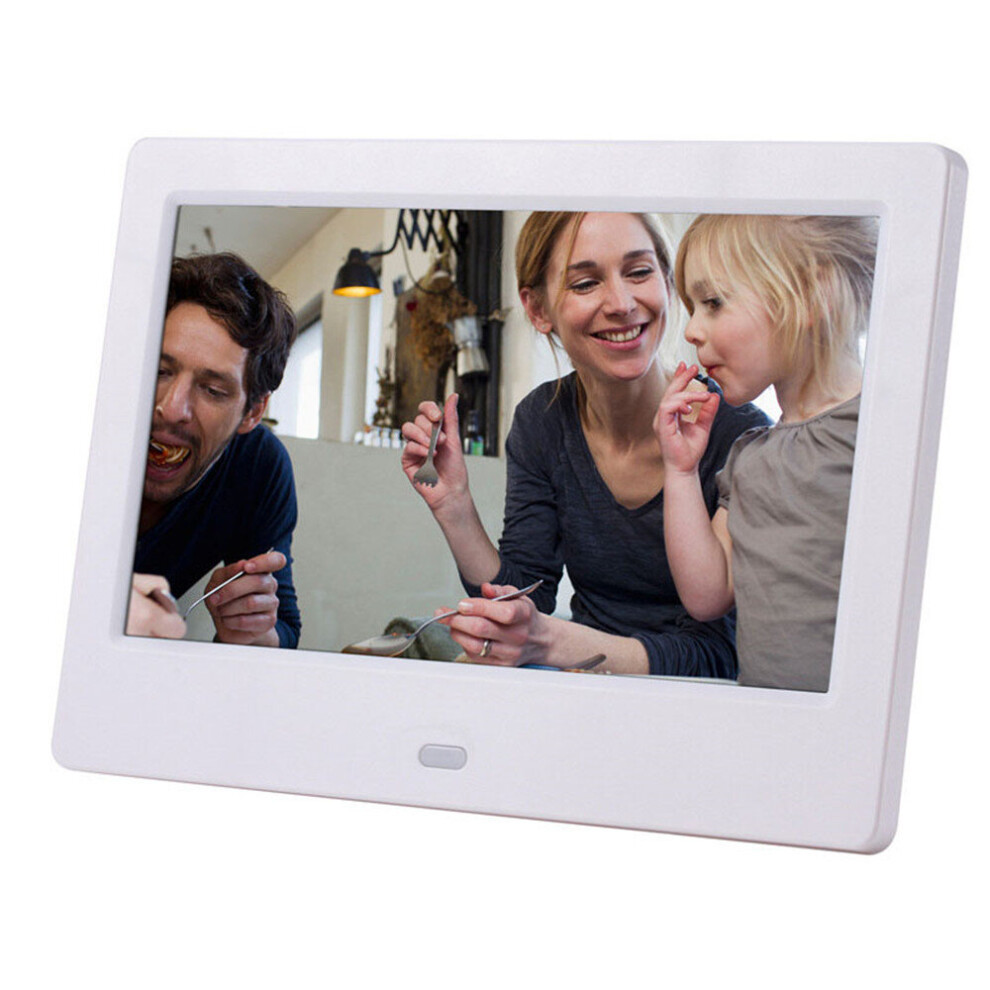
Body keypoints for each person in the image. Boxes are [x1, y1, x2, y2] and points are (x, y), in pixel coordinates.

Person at [401, 212, 769, 676]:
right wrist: (455, 507)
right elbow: (525, 597)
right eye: (585, 283)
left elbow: (719, 657)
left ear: (667, 282)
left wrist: (553, 643)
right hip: (580, 681)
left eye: (639, 272)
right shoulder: (541, 420)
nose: (621, 303)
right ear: (538, 309)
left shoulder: (741, 435)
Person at [655, 214, 878, 691]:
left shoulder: (882, 434)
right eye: (692, 308)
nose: (691, 330)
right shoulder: (748, 457)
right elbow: (707, 596)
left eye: (713, 302)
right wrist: (680, 471)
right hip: (767, 721)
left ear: (813, 294)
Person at [132, 252, 302, 648]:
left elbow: (284, 629)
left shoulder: (256, 467)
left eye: (212, 390)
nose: (172, 408)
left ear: (253, 412)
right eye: (160, 371)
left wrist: (250, 628)